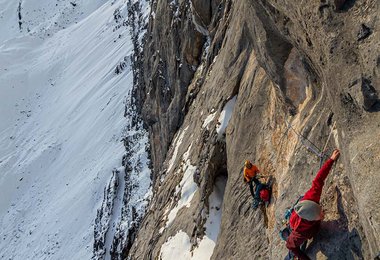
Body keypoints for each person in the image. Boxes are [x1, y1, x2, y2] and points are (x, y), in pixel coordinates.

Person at [285, 149, 341, 260]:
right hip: (297, 228)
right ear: (310, 220)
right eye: (319, 215)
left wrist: (331, 160)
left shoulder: (313, 196)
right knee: (293, 244)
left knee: (302, 198)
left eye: (320, 210)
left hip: (302, 207)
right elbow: (290, 246)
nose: (322, 213)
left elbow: (319, 179)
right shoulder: (300, 233)